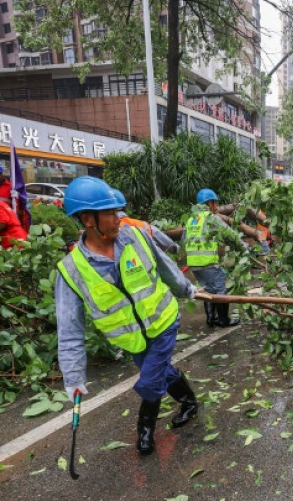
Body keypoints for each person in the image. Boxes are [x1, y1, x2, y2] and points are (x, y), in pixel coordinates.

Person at [55, 176, 199, 455]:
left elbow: (165, 266)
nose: (119, 217)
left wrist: (187, 290)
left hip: (164, 322)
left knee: (151, 380)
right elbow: (69, 329)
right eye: (110, 213)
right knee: (159, 372)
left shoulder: (135, 236)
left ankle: (145, 429)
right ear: (88, 219)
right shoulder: (71, 270)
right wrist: (73, 378)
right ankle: (190, 401)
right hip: (132, 339)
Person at [184, 188, 246, 327]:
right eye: (215, 203)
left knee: (208, 289)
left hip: (194, 265)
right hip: (208, 263)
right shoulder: (211, 218)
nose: (217, 207)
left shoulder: (191, 220)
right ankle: (224, 320)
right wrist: (244, 248)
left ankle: (211, 319)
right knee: (220, 289)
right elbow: (230, 234)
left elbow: (184, 240)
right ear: (209, 203)